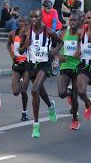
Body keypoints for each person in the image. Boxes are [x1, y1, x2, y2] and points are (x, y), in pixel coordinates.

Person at [19, 9, 64, 138]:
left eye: (36, 17)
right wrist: (25, 45)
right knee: (40, 90)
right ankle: (50, 106)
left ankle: (36, 126)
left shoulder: (49, 31)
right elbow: (21, 51)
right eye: (31, 16)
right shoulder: (26, 31)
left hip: (44, 65)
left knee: (34, 90)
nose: (33, 19)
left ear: (41, 18)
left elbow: (60, 42)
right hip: (31, 65)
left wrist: (54, 51)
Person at [58, 13, 81, 130]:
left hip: (78, 67)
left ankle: (75, 120)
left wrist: (81, 51)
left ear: (79, 22)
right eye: (71, 20)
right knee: (61, 93)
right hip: (66, 65)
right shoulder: (63, 34)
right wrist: (58, 56)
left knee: (75, 96)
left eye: (75, 20)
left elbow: (89, 48)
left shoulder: (81, 35)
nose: (72, 22)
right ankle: (70, 93)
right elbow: (55, 47)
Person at [7, 16, 30, 121]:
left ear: (26, 23)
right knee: (16, 92)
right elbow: (8, 45)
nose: (21, 23)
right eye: (20, 21)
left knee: (24, 91)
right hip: (16, 65)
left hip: (26, 65)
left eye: (23, 21)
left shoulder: (29, 34)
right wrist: (12, 55)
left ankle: (24, 112)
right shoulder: (12, 34)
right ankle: (20, 82)